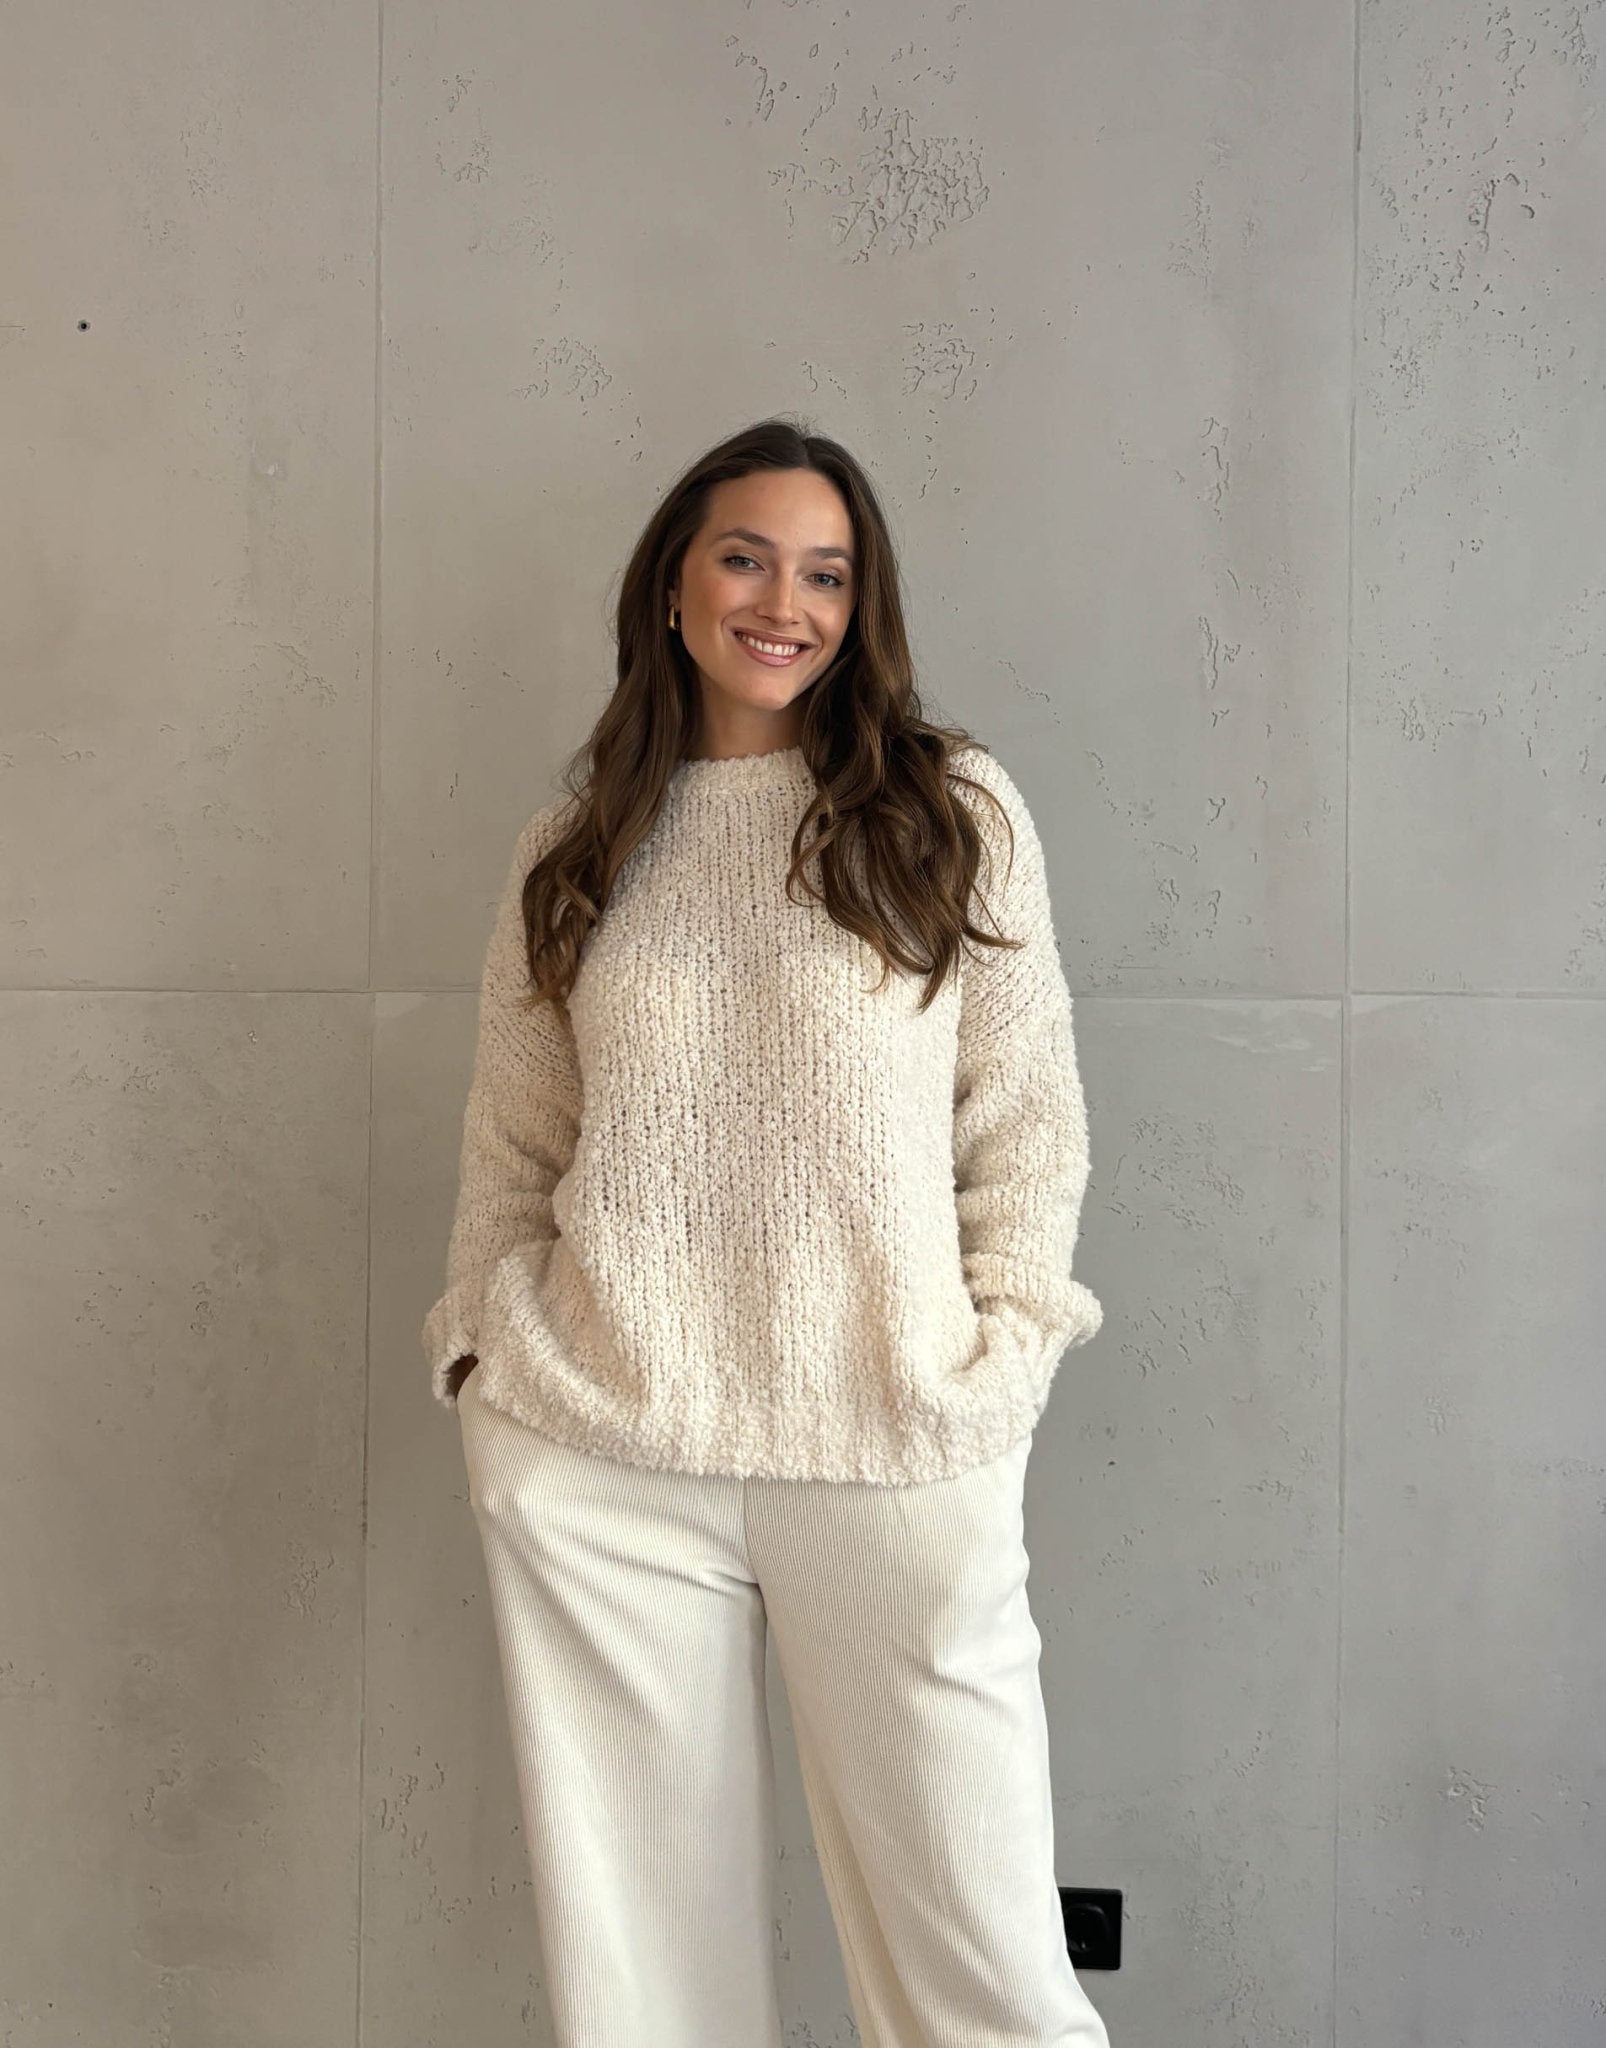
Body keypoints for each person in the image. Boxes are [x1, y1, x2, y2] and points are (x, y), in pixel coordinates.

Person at [422, 416, 1113, 2047]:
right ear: (672, 584)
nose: (782, 603)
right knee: (641, 1988)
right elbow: (516, 1142)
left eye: (825, 573)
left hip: (893, 1431)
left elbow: (1024, 1118)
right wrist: (482, 1352)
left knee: (986, 1972)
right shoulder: (578, 846)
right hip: (601, 1439)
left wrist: (1003, 1356)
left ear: (860, 607)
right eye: (745, 558)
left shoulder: (948, 810)